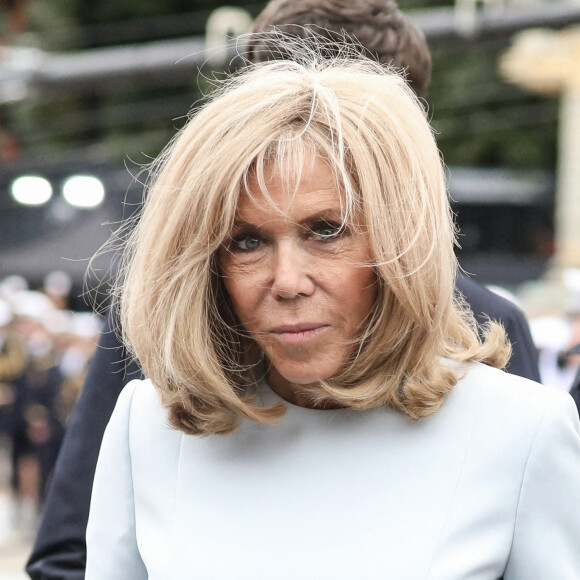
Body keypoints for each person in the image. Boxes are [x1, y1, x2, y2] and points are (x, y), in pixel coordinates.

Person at [26, 2, 541, 577]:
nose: (288, 282)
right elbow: (71, 555)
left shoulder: (518, 421)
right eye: (246, 241)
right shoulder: (147, 417)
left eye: (327, 230)